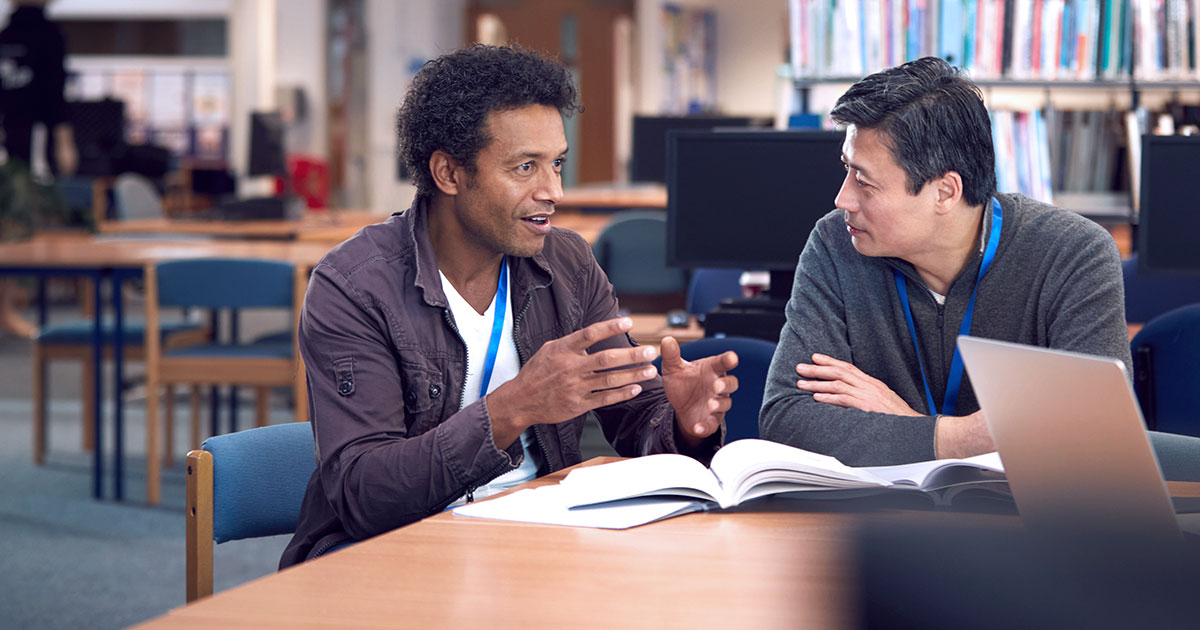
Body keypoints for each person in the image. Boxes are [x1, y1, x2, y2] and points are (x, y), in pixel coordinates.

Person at [281, 45, 739, 567]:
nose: (554, 192)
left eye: (557, 164)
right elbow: (366, 496)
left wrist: (682, 423)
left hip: (530, 537)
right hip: (390, 555)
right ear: (449, 174)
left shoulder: (567, 263)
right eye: (526, 167)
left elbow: (636, 419)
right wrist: (514, 406)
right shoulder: (354, 287)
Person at [759, 57, 1200, 478]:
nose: (843, 199)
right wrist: (960, 437)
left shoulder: (1073, 253)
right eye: (846, 170)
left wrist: (905, 426)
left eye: (865, 181)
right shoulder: (837, 243)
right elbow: (787, 419)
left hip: (1025, 532)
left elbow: (1096, 442)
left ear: (945, 192)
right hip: (878, 521)